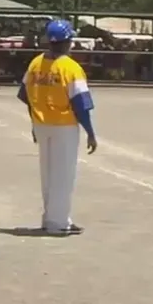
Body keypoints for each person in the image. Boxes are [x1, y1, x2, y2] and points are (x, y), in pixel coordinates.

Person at [17, 19, 97, 236]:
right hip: (64, 126)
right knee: (63, 174)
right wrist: (90, 133)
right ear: (68, 41)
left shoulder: (36, 64)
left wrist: (34, 121)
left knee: (48, 173)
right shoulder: (70, 67)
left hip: (42, 124)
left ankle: (51, 217)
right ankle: (58, 222)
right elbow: (81, 105)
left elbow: (25, 95)